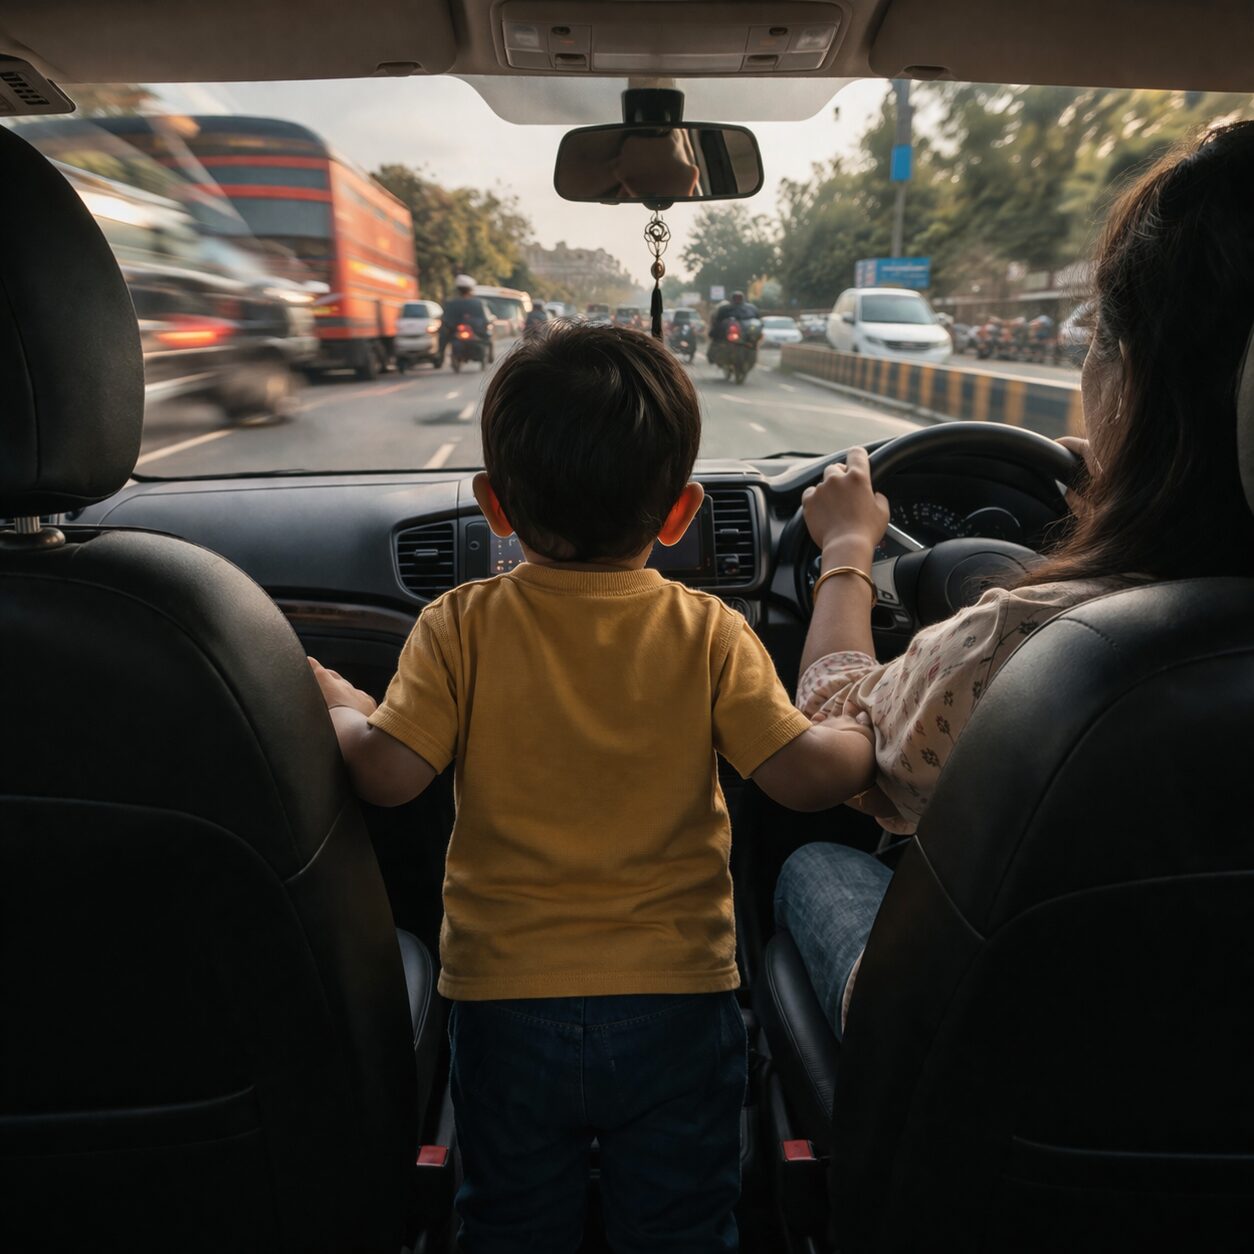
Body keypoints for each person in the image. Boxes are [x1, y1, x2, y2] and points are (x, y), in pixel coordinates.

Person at [307, 322, 877, 1251]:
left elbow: (389, 772)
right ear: (681, 512)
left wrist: (334, 705)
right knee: (683, 1221)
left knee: (510, 1223)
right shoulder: (709, 631)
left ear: (494, 504)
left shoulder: (459, 626)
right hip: (679, 1005)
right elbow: (804, 779)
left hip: (503, 1005)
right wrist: (863, 729)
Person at [774, 120, 1254, 1044]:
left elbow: (838, 733)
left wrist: (845, 552)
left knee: (806, 867)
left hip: (1005, 1101)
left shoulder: (1026, 648)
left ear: (1131, 382)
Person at [439, 273, 494, 365]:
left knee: (442, 337)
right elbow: (486, 319)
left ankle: (440, 357)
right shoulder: (478, 303)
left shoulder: (451, 303)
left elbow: (446, 319)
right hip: (474, 332)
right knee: (489, 339)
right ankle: (490, 357)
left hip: (457, 331)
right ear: (470, 289)